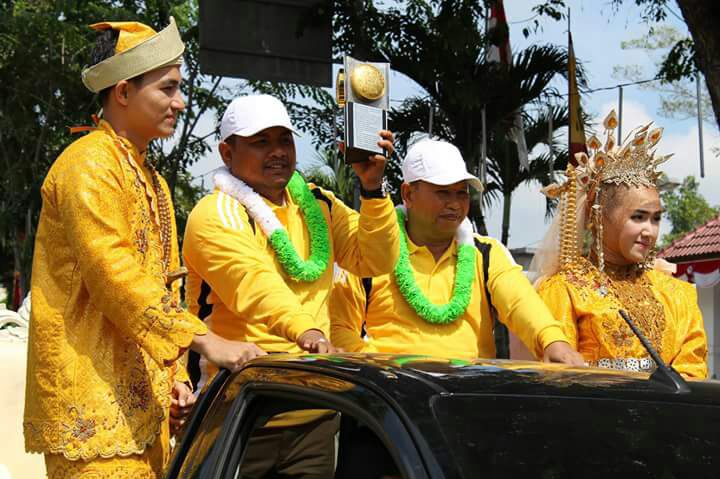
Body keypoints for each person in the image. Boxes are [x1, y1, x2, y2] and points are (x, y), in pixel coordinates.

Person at [24, 19, 263, 478]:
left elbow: (163, 287)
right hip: (92, 418)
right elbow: (113, 273)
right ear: (123, 92)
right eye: (168, 88)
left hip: (146, 420)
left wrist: (176, 381)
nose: (181, 102)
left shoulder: (152, 180)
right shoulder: (87, 165)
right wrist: (207, 341)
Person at [182, 94, 401, 477]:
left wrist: (372, 188)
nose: (278, 152)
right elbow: (253, 283)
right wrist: (308, 331)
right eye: (261, 142)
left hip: (314, 413)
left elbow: (376, 260)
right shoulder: (215, 213)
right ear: (227, 152)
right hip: (238, 414)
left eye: (284, 140)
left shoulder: (320, 205)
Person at [329, 139, 583, 365]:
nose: (454, 204)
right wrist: (378, 370)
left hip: (466, 398)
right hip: (389, 400)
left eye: (461, 193)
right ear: (408, 193)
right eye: (442, 192)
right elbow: (340, 328)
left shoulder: (486, 253)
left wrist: (553, 341)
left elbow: (520, 303)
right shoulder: (373, 252)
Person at [532, 111, 708, 378]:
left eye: (656, 219)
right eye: (638, 217)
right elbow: (558, 376)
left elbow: (693, 370)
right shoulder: (565, 288)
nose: (649, 231)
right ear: (599, 218)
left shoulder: (676, 294)